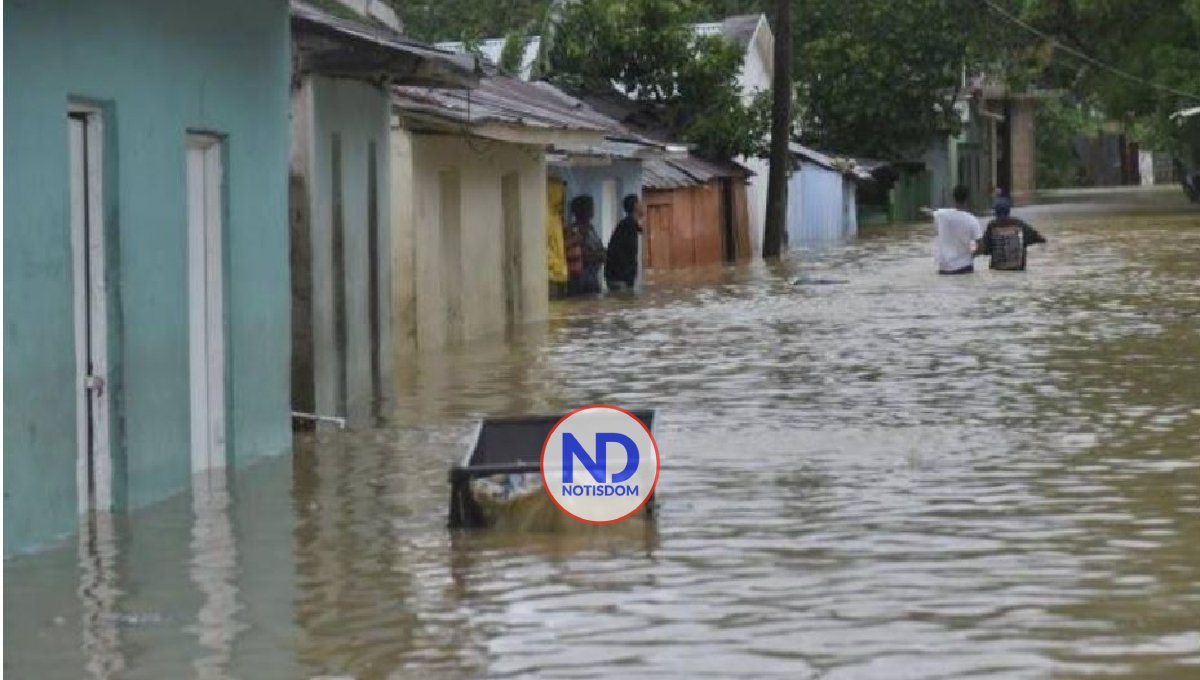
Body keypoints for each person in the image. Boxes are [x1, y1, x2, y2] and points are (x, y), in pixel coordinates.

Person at [921, 184, 984, 275]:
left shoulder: (942, 214)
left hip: (944, 268)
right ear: (967, 199)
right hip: (965, 266)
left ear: (953, 198)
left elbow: (925, 212)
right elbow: (981, 246)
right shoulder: (972, 220)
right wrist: (972, 256)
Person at [976, 194, 1046, 271]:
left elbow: (985, 250)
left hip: (998, 270)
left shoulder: (992, 226)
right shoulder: (1020, 224)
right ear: (1008, 211)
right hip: (1018, 270)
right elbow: (1041, 239)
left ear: (995, 212)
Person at [565, 195, 605, 295]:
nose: (593, 211)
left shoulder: (591, 230)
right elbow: (574, 255)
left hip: (592, 279)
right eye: (590, 207)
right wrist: (597, 255)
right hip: (578, 282)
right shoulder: (573, 231)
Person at [605, 194, 643, 291]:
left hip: (622, 277)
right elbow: (619, 252)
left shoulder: (628, 225)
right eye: (640, 203)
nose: (642, 206)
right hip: (619, 278)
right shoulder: (627, 226)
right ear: (635, 206)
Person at [546, 180, 569, 298]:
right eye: (561, 193)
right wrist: (554, 265)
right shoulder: (546, 218)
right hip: (551, 274)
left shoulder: (556, 218)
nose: (563, 198)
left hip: (560, 273)